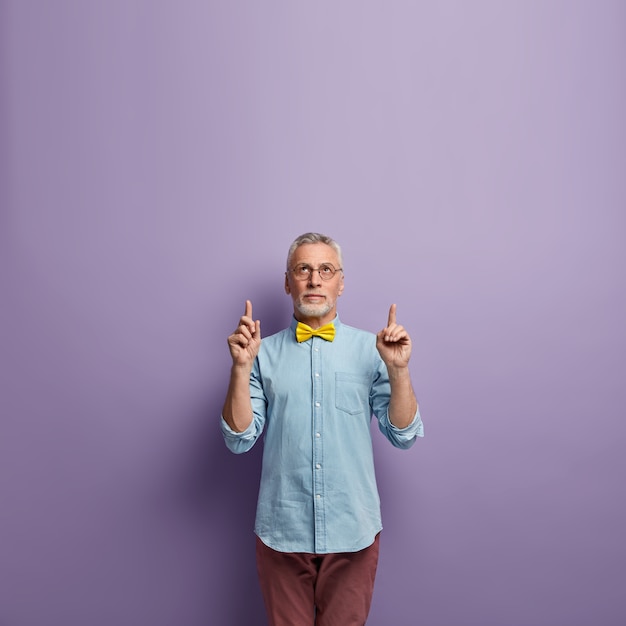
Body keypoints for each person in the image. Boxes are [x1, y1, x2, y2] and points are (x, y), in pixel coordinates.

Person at [221, 232, 423, 626]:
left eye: (325, 269)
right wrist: (241, 368)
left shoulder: (373, 350)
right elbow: (239, 438)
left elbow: (404, 434)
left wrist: (398, 371)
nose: (314, 279)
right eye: (303, 269)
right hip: (282, 532)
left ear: (340, 282)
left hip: (353, 531)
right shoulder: (261, 354)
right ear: (288, 282)